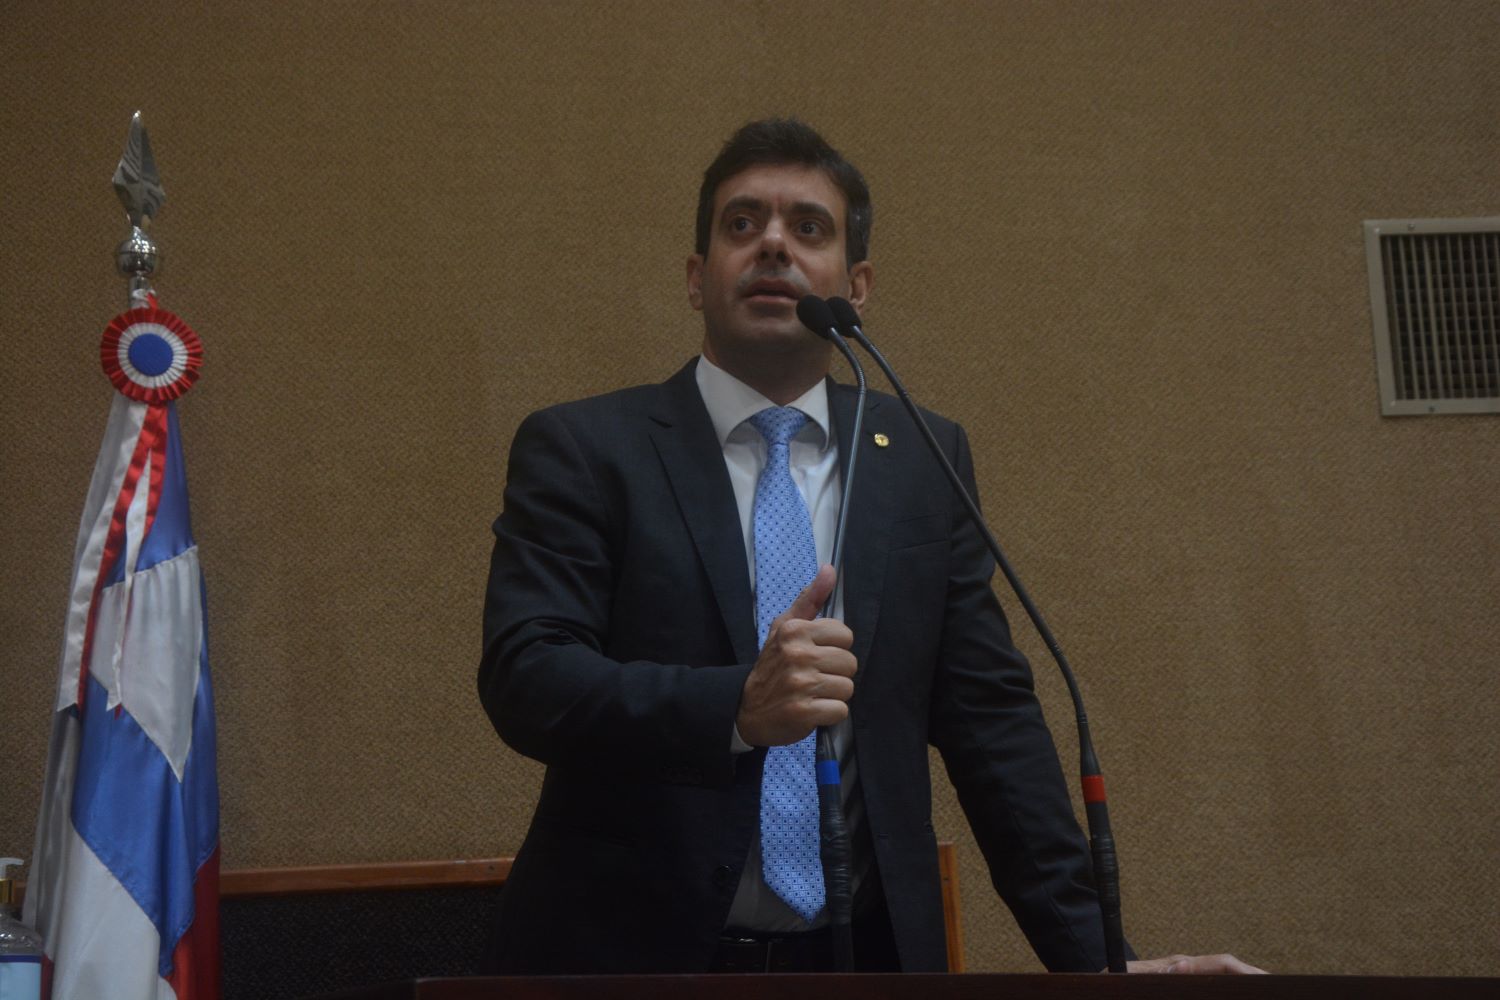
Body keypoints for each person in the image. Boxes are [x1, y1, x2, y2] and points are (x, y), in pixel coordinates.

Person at [479, 118, 1262, 976]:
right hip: (631, 961)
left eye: (808, 227)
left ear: (855, 287)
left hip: (868, 961)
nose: (773, 243)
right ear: (697, 279)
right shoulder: (589, 448)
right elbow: (528, 677)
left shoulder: (921, 457)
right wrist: (734, 707)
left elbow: (991, 728)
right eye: (742, 223)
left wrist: (1099, 968)